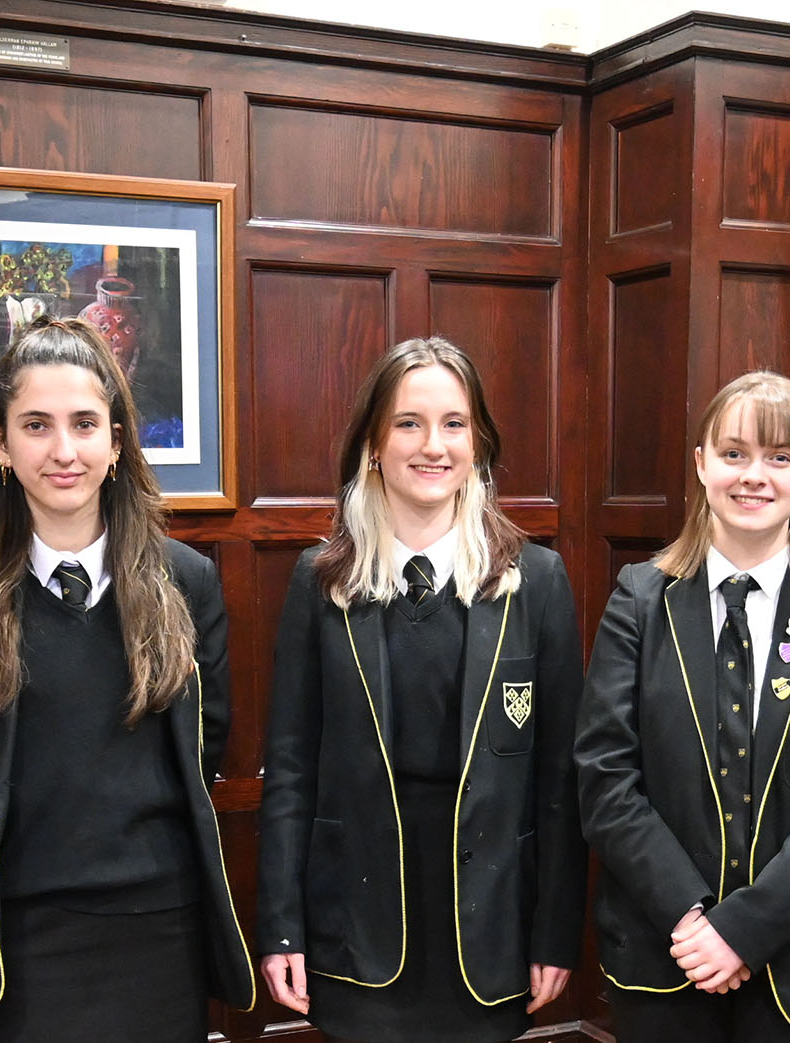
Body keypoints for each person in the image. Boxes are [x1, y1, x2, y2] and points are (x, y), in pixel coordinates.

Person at [0, 314, 254, 1040]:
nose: (64, 450)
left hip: (159, 927)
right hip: (17, 933)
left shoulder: (187, 581)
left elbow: (204, 746)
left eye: (86, 423)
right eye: (36, 425)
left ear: (116, 442)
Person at [255, 337, 585, 1042]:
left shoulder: (539, 581)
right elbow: (290, 771)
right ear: (374, 442)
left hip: (489, 922)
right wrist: (282, 927)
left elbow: (559, 781)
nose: (432, 444)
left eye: (454, 424)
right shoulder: (320, 582)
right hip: (356, 921)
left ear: (479, 443)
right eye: (408, 422)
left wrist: (555, 932)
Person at [576, 370, 790, 1043]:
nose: (755, 475)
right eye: (734, 453)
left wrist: (744, 929)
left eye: (781, 457)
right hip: (668, 956)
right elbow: (605, 778)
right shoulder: (641, 600)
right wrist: (694, 920)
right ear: (701, 464)